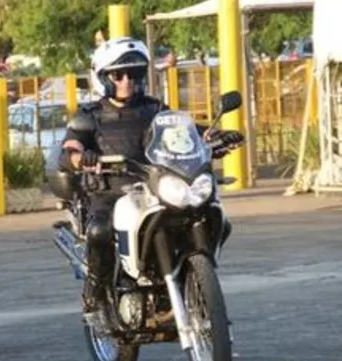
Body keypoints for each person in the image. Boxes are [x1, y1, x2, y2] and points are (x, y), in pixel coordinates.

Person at [58, 37, 242, 319]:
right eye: (118, 75)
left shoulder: (155, 109)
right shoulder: (90, 115)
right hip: (110, 192)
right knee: (100, 231)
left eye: (133, 74)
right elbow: (70, 149)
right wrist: (82, 158)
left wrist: (216, 136)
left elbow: (187, 132)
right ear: (103, 78)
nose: (127, 81)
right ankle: (95, 291)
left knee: (211, 214)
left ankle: (193, 277)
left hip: (154, 186)